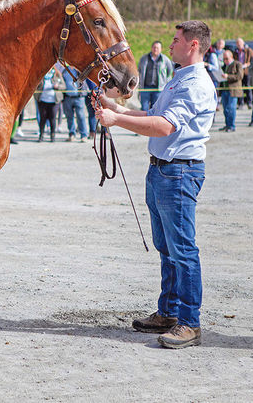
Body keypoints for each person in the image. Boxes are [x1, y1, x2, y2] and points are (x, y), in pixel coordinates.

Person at [94, 20, 217, 349]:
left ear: (192, 45)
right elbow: (153, 113)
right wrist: (117, 108)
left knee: (183, 250)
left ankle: (189, 322)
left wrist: (117, 120)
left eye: (176, 40)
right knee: (168, 248)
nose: (171, 44)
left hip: (178, 173)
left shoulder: (195, 84)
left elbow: (164, 127)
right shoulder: (179, 79)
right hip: (164, 171)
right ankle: (169, 312)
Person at [137, 41, 175, 111]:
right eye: (154, 47)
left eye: (157, 48)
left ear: (161, 49)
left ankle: (151, 122)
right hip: (145, 88)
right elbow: (139, 69)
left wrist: (164, 81)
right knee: (144, 108)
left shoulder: (165, 59)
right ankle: (144, 121)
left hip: (158, 89)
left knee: (155, 109)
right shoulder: (144, 58)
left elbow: (170, 71)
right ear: (151, 48)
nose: (155, 49)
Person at [61, 66, 89, 142]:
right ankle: (72, 134)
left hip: (79, 97)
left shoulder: (79, 70)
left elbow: (85, 81)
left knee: (81, 116)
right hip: (68, 97)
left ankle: (83, 135)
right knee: (69, 117)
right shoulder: (65, 70)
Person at [218, 50, 242, 132]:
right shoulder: (224, 66)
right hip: (225, 90)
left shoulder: (237, 64)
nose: (225, 60)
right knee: (225, 109)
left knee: (231, 108)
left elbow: (239, 76)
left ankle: (232, 126)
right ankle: (227, 125)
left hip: (233, 90)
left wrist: (228, 76)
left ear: (231, 57)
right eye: (224, 59)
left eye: (226, 58)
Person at [36, 67, 61, 142]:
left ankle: (52, 136)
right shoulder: (42, 75)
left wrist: (57, 86)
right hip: (43, 100)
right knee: (42, 119)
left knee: (52, 119)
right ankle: (41, 135)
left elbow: (64, 86)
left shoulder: (57, 74)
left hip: (54, 101)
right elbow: (36, 86)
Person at [234, 38, 253, 108]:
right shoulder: (235, 51)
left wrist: (247, 64)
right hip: (239, 72)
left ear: (243, 43)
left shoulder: (248, 50)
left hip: (247, 71)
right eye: (237, 43)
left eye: (240, 43)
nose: (239, 44)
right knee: (240, 87)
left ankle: (249, 103)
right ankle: (241, 103)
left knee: (248, 87)